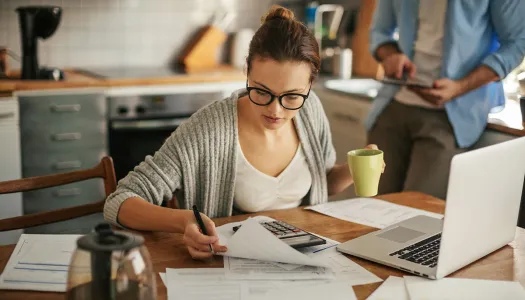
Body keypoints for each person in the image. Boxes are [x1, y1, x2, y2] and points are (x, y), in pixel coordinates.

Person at [103, 5, 382, 260]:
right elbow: (120, 202)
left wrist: (353, 168)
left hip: (307, 259)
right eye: (262, 91)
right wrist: (184, 220)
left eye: (293, 97)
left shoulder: (311, 111)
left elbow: (324, 181)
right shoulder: (210, 128)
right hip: (235, 269)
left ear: (310, 85)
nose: (276, 110)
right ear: (247, 70)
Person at [366, 0, 525, 199]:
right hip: (392, 105)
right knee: (370, 205)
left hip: (452, 117)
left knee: (416, 215)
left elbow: (518, 42)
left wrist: (461, 86)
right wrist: (390, 55)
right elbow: (379, 32)